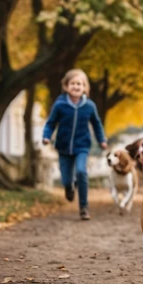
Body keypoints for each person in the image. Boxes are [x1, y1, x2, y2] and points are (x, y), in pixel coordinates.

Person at [43, 69, 107, 220]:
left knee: (81, 172)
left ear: (84, 87)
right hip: (63, 147)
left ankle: (84, 207)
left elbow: (97, 124)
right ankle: (68, 187)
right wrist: (46, 136)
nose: (76, 86)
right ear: (66, 86)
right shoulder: (60, 105)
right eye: (73, 83)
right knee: (66, 179)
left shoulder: (89, 106)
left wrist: (102, 139)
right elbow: (51, 123)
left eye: (80, 84)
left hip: (82, 146)